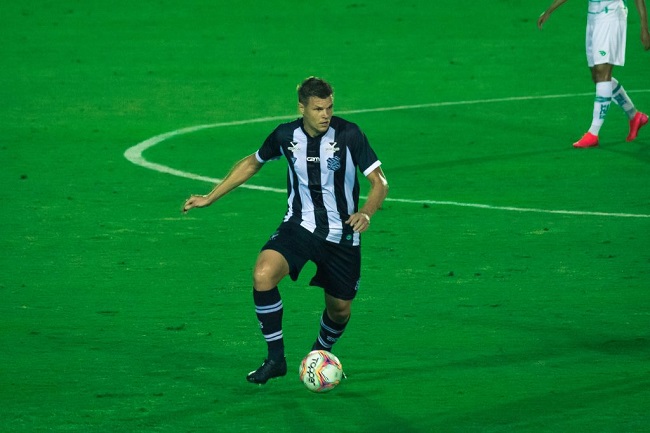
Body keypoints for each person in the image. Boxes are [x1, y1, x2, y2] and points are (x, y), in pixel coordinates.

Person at [182, 77, 389, 384]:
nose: (325, 115)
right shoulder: (286, 136)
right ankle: (275, 359)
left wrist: (367, 212)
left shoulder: (349, 134)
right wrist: (210, 197)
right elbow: (252, 162)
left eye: (330, 107)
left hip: (342, 233)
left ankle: (319, 354)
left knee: (340, 310)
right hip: (299, 226)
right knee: (262, 275)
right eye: (318, 109)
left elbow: (379, 182)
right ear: (302, 108)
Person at [537, 0, 650, 148]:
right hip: (593, 16)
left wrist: (644, 27)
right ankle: (635, 116)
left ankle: (593, 133)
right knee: (597, 77)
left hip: (611, 16)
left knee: (602, 73)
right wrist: (549, 10)